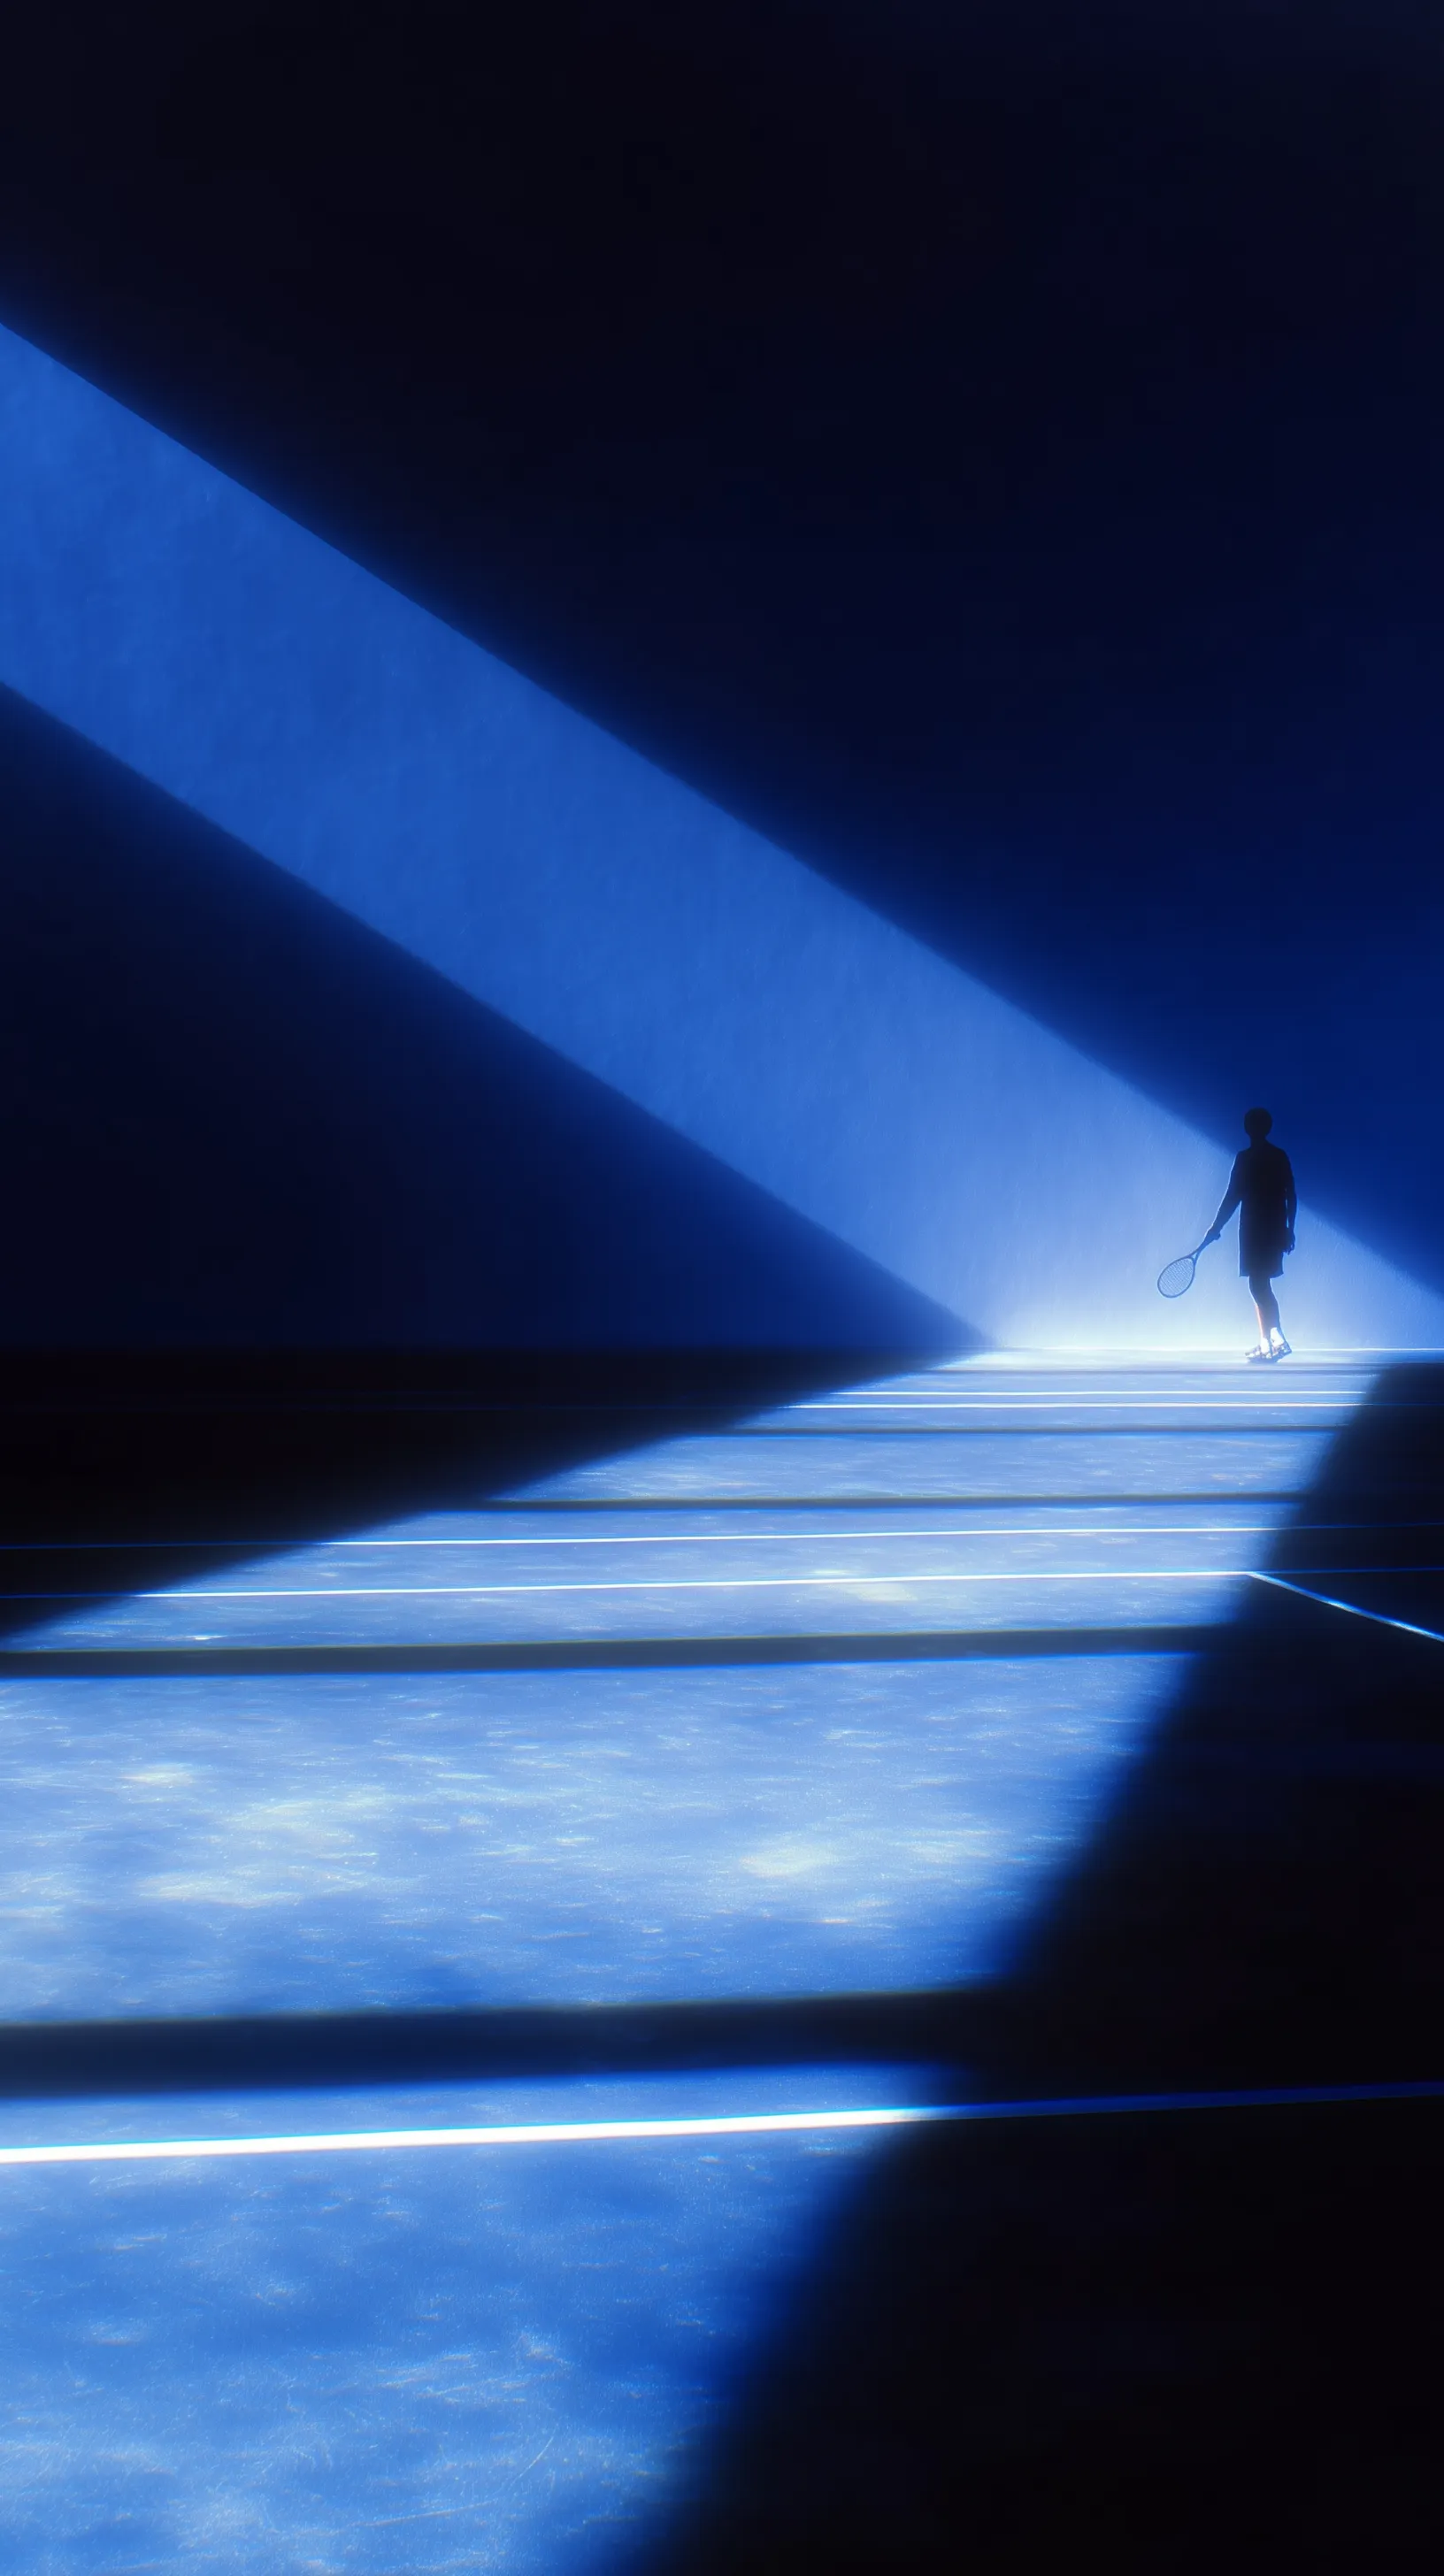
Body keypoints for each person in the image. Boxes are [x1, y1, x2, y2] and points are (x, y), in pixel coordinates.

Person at [1203, 1108, 1296, 1363]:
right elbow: (1291, 1195)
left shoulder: (1245, 1158)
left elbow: (1232, 1196)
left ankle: (1277, 1339)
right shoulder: (1279, 1156)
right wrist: (1290, 1228)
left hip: (1255, 1228)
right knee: (1259, 1284)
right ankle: (1266, 1342)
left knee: (1258, 1285)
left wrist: (1216, 1227)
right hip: (1273, 1226)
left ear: (1248, 1128)